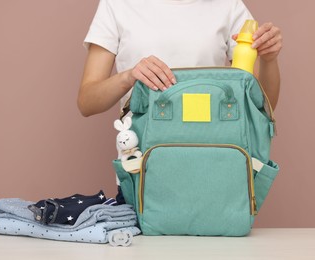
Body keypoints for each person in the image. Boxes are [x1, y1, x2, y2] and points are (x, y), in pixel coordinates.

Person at [78, 0, 282, 202]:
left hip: (216, 172)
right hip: (143, 173)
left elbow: (262, 106)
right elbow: (87, 102)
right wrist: (128, 77)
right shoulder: (117, 5)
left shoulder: (229, 6)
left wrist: (269, 60)